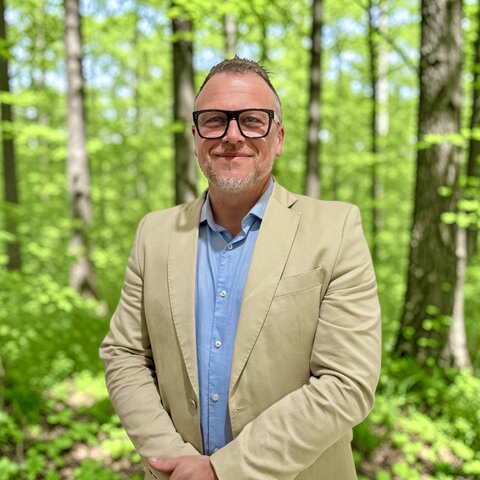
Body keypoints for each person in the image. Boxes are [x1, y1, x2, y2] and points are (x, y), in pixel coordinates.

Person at [100, 57, 381, 480]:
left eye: (252, 120)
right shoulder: (153, 234)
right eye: (215, 120)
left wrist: (222, 471)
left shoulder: (336, 229)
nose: (233, 136)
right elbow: (125, 355)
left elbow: (347, 383)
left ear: (278, 137)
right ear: (196, 136)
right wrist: (172, 461)